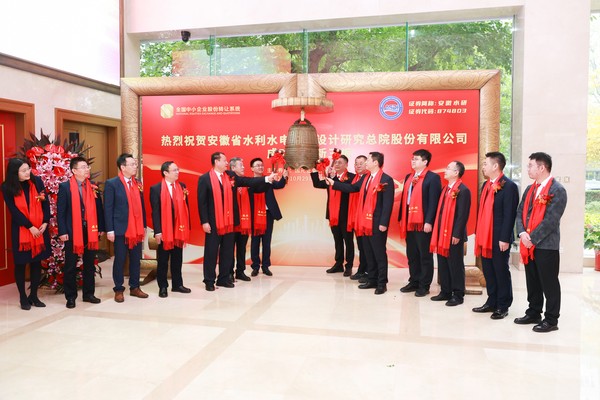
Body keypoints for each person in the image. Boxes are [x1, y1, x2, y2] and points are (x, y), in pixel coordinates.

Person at [197, 152, 273, 291]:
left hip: (230, 221)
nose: (226, 163)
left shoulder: (231, 176)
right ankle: (209, 280)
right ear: (216, 162)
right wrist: (204, 221)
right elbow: (202, 203)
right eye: (224, 160)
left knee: (227, 252)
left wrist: (267, 178)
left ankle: (223, 279)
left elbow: (248, 181)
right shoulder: (205, 179)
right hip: (213, 223)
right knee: (211, 252)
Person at [327, 152, 394, 294]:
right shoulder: (365, 178)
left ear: (375, 163)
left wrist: (384, 223)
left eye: (368, 160)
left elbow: (387, 204)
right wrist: (334, 183)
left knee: (379, 254)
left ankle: (382, 283)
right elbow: (352, 188)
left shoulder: (386, 179)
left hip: (377, 223)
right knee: (368, 252)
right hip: (365, 222)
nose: (366, 163)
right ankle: (372, 279)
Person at [515, 152, 567, 333]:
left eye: (530, 165)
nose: (528, 168)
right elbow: (520, 212)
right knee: (533, 281)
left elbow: (551, 221)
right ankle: (534, 312)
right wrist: (522, 233)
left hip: (546, 245)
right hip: (528, 243)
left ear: (542, 167)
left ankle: (551, 320)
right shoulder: (530, 189)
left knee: (549, 283)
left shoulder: (557, 190)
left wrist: (532, 239)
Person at [472, 151, 519, 320]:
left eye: (486, 163)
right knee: (489, 271)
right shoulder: (486, 185)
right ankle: (491, 301)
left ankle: (503, 305)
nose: (483, 167)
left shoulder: (509, 186)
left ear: (495, 166)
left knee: (500, 271)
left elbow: (509, 215)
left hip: (499, 238)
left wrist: (505, 238)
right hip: (485, 237)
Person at [1, 158, 50, 310]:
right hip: (21, 230)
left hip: (40, 228)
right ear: (15, 173)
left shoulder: (37, 182)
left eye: (28, 169)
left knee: (37, 262)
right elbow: (14, 211)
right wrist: (30, 227)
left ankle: (34, 296)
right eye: (23, 171)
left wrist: (45, 222)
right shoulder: (7, 187)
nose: (28, 172)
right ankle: (23, 297)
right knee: (21, 263)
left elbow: (45, 202)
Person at [57, 156, 105, 308]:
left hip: (90, 230)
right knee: (71, 265)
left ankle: (88, 294)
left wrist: (100, 227)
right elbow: (61, 212)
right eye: (83, 167)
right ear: (74, 170)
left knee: (89, 264)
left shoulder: (92, 187)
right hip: (72, 231)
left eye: (87, 167)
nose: (87, 170)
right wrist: (62, 231)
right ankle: (70, 297)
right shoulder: (65, 187)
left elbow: (99, 209)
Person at [104, 153, 148, 302]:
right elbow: (108, 208)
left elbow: (141, 206)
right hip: (120, 228)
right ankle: (118, 289)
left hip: (136, 229)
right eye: (132, 164)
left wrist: (143, 225)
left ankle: (135, 287)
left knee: (136, 259)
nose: (135, 167)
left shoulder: (137, 183)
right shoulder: (112, 184)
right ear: (123, 167)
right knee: (120, 259)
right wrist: (110, 229)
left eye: (135, 164)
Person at [398, 149, 442, 297]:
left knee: (424, 256)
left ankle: (424, 285)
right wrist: (402, 217)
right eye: (412, 158)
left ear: (425, 161)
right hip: (409, 221)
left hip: (423, 223)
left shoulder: (432, 178)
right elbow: (405, 200)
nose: (413, 161)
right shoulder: (409, 177)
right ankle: (414, 281)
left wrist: (429, 221)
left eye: (416, 159)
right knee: (412, 254)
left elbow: (433, 202)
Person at [429, 161, 471, 306]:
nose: (445, 170)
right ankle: (445, 291)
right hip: (442, 233)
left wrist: (457, 234)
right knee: (443, 263)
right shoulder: (445, 189)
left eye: (448, 168)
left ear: (456, 173)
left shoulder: (463, 190)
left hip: (454, 235)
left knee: (455, 265)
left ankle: (458, 294)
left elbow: (462, 215)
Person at [150, 161, 191, 298]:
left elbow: (186, 209)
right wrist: (158, 231)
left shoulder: (182, 186)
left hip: (179, 229)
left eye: (178, 169)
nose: (177, 172)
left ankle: (177, 284)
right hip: (165, 230)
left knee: (177, 258)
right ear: (165, 173)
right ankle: (163, 286)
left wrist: (187, 227)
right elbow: (155, 212)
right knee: (163, 260)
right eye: (174, 170)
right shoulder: (156, 189)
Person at [311, 154, 355, 276]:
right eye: (336, 162)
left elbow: (349, 188)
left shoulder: (352, 177)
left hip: (346, 216)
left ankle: (349, 266)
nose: (337, 164)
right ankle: (338, 264)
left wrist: (334, 180)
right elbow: (317, 184)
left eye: (340, 162)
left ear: (346, 164)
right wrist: (314, 169)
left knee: (348, 241)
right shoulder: (331, 178)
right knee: (337, 240)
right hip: (333, 215)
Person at [248, 157, 288, 277]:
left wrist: (284, 177)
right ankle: (255, 266)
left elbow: (279, 185)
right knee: (255, 242)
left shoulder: (269, 179)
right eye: (257, 165)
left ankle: (265, 266)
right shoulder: (249, 182)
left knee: (266, 241)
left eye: (262, 165)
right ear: (252, 168)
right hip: (255, 215)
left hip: (268, 214)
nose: (260, 167)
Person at [229, 157, 253, 281]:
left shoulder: (246, 183)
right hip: (232, 222)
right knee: (229, 248)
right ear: (233, 168)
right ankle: (228, 272)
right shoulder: (228, 182)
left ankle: (240, 271)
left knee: (242, 248)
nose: (243, 167)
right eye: (241, 165)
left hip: (244, 222)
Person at [348, 155, 369, 281]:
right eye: (356, 163)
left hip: (366, 218)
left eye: (361, 163)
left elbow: (352, 189)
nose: (358, 165)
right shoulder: (354, 178)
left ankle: (368, 272)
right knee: (361, 246)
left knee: (367, 247)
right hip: (356, 217)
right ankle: (362, 270)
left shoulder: (368, 178)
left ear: (367, 164)